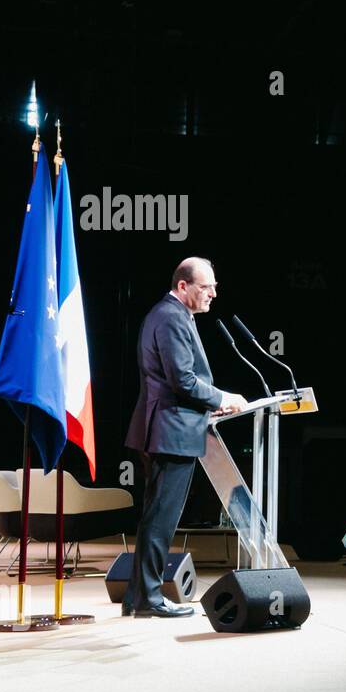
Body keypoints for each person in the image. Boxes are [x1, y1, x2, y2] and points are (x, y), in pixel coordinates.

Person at [123, 258, 247, 617]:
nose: (213, 293)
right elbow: (183, 381)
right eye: (205, 286)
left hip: (167, 427)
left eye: (214, 286)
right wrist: (224, 398)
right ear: (183, 287)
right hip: (170, 432)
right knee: (161, 520)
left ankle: (137, 596)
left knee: (155, 517)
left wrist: (210, 409)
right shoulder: (171, 317)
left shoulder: (170, 315)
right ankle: (149, 599)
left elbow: (173, 384)